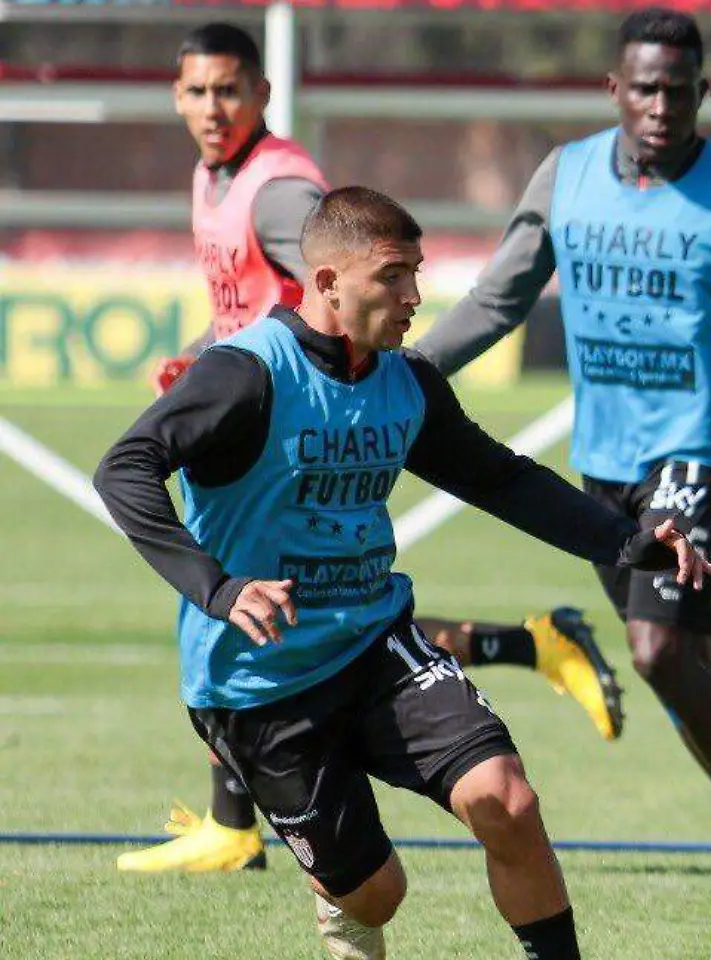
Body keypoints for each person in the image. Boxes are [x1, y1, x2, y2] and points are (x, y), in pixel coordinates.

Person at [95, 186, 703, 960]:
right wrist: (218, 588)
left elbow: (499, 479)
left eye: (418, 272)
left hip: (378, 645)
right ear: (329, 280)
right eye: (396, 274)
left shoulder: (406, 383)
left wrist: (630, 543)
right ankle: (338, 885)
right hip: (258, 687)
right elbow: (126, 469)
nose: (416, 295)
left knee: (507, 798)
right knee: (379, 898)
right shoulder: (247, 374)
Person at [122, 23, 627, 877]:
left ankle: (242, 823)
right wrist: (208, 349)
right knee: (294, 592)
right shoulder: (218, 178)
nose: (214, 108)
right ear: (176, 96)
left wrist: (343, 379)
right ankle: (242, 818)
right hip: (272, 403)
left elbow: (334, 289)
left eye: (230, 90)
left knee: (310, 593)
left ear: (262, 94)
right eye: (198, 92)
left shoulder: (278, 193)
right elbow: (274, 302)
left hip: (307, 410)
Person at [414, 6, 711, 938]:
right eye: (646, 87)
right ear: (615, 90)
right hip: (606, 463)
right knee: (682, 665)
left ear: (703, 93)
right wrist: (406, 373)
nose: (663, 104)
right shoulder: (567, 177)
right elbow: (499, 298)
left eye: (681, 89)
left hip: (704, 452)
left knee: (659, 651)